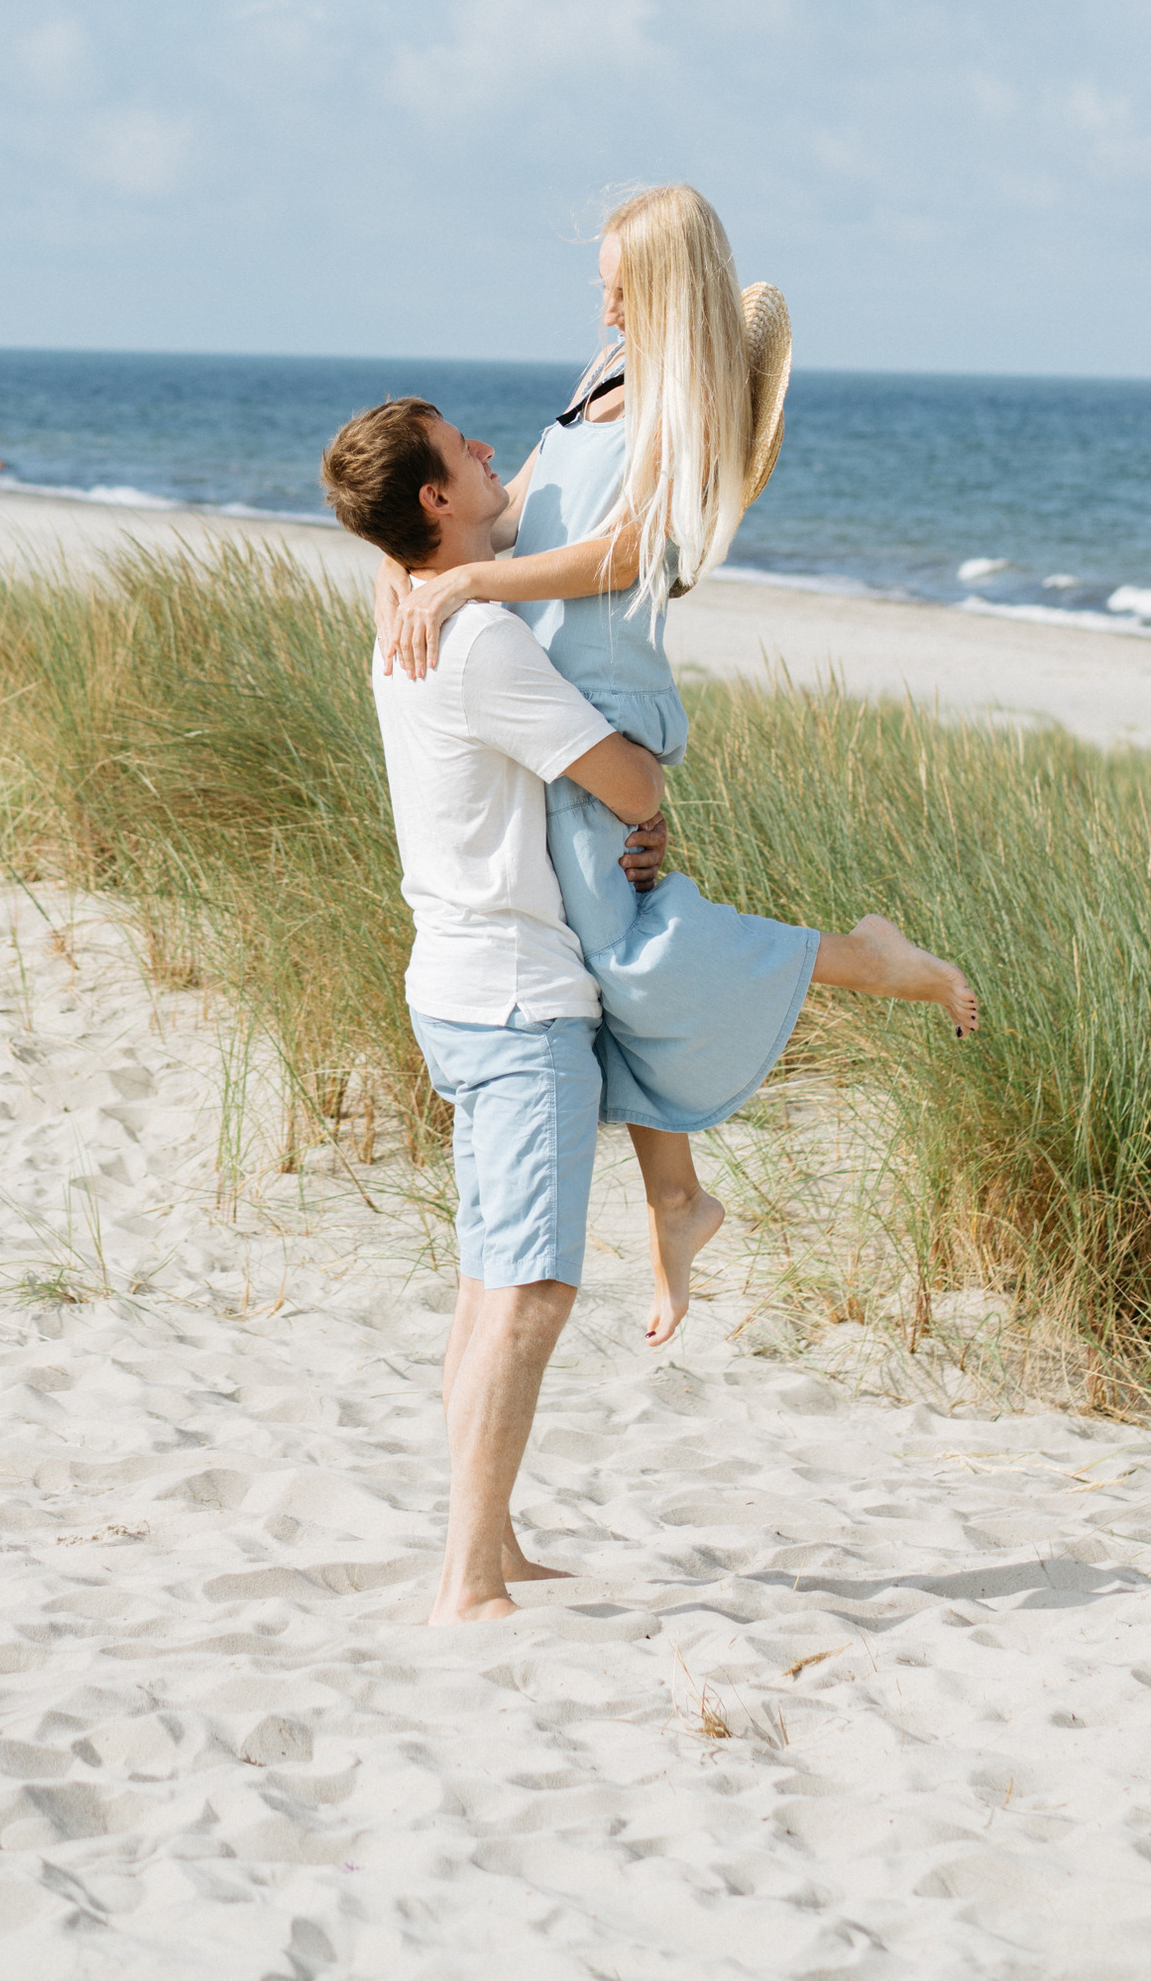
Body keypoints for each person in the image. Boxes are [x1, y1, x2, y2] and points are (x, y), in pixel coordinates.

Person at [376, 185, 979, 1340]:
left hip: (602, 698)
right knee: (605, 955)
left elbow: (622, 553)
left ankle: (867, 959)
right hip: (553, 701)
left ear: (664, 289)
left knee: (628, 945)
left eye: (618, 283)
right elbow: (516, 523)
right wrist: (406, 562)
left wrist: (465, 583)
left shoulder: (678, 404)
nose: (600, 300)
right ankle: (674, 1193)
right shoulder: (598, 378)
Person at [318, 398, 674, 1623]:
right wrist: (650, 791)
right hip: (518, 1007)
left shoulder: (405, 613)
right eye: (463, 449)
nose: (489, 454)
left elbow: (456, 517)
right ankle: (468, 1577)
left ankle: (495, 1540)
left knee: (488, 1281)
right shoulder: (475, 643)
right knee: (528, 1290)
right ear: (432, 503)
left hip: (457, 988)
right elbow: (629, 781)